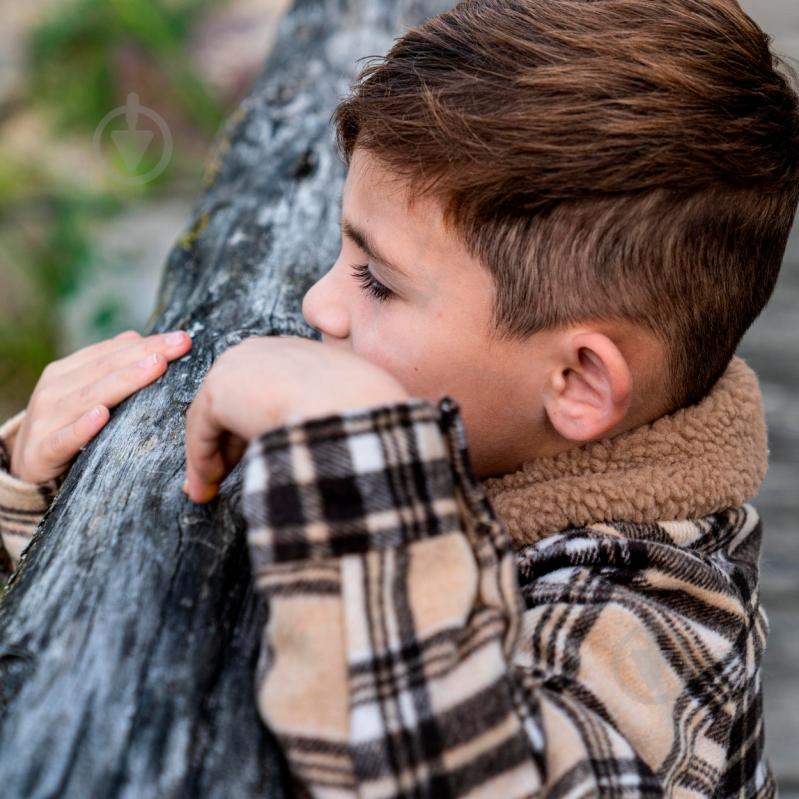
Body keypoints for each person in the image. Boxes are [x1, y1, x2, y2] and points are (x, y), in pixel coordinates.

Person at [2, 0, 797, 795]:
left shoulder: (664, 622)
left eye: (376, 280)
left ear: (578, 382)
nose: (318, 305)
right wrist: (35, 508)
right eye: (338, 251)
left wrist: (346, 435)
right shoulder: (499, 435)